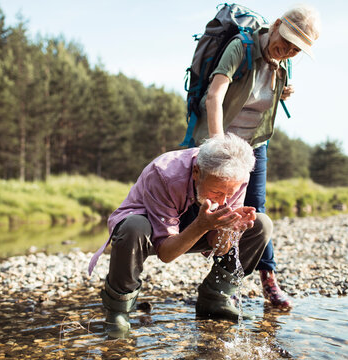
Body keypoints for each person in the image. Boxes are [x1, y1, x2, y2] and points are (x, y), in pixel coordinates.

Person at [191, 5, 321, 309]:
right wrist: (218, 145)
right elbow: (215, 95)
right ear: (275, 25)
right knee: (216, 206)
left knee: (256, 212)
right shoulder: (241, 47)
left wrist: (282, 92)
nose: (287, 50)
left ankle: (266, 281)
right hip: (221, 141)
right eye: (285, 42)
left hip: (254, 145)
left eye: (295, 49)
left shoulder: (283, 62)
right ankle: (220, 280)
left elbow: (264, 92)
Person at [88, 134, 273, 338]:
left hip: (199, 222)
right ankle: (118, 311)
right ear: (197, 172)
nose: (223, 201)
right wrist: (202, 225)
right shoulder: (164, 173)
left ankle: (216, 298)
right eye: (217, 192)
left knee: (261, 225)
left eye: (229, 194)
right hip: (148, 226)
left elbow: (218, 247)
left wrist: (231, 229)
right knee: (133, 227)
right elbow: (166, 253)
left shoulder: (237, 176)